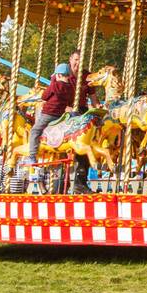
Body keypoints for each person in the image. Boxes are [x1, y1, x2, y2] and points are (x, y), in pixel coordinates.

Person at [26, 62, 74, 163]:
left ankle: (32, 155)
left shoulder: (54, 85)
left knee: (35, 131)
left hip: (48, 114)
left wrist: (52, 82)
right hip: (60, 115)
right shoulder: (71, 88)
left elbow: (44, 96)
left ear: (59, 75)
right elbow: (70, 102)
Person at [65, 49, 96, 194]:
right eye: (75, 59)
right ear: (70, 59)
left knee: (92, 137)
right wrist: (67, 108)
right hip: (65, 110)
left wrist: (97, 109)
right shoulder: (63, 74)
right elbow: (55, 95)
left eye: (80, 60)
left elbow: (94, 97)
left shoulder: (86, 76)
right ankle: (59, 182)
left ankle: (80, 182)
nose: (78, 63)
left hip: (82, 110)